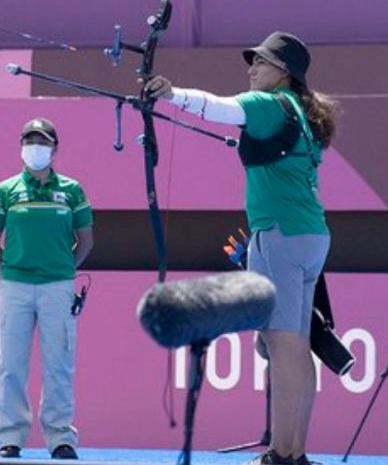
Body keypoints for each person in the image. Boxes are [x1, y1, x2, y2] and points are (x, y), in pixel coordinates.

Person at [143, 31, 339, 465]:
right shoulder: (298, 113)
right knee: (297, 344)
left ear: (284, 74)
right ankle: (295, 452)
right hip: (309, 236)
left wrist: (172, 93)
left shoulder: (270, 105)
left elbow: (219, 107)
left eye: (261, 63)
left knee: (282, 343)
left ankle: (283, 454)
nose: (251, 68)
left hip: (280, 235)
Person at [0, 117, 94, 460]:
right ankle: (10, 438)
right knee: (11, 365)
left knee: (58, 364)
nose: (36, 147)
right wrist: (13, 269)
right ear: (21, 147)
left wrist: (61, 271)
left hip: (58, 287)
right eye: (30, 141)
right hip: (15, 286)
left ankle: (61, 438)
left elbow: (86, 241)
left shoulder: (72, 190)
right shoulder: (5, 190)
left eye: (42, 141)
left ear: (54, 148)